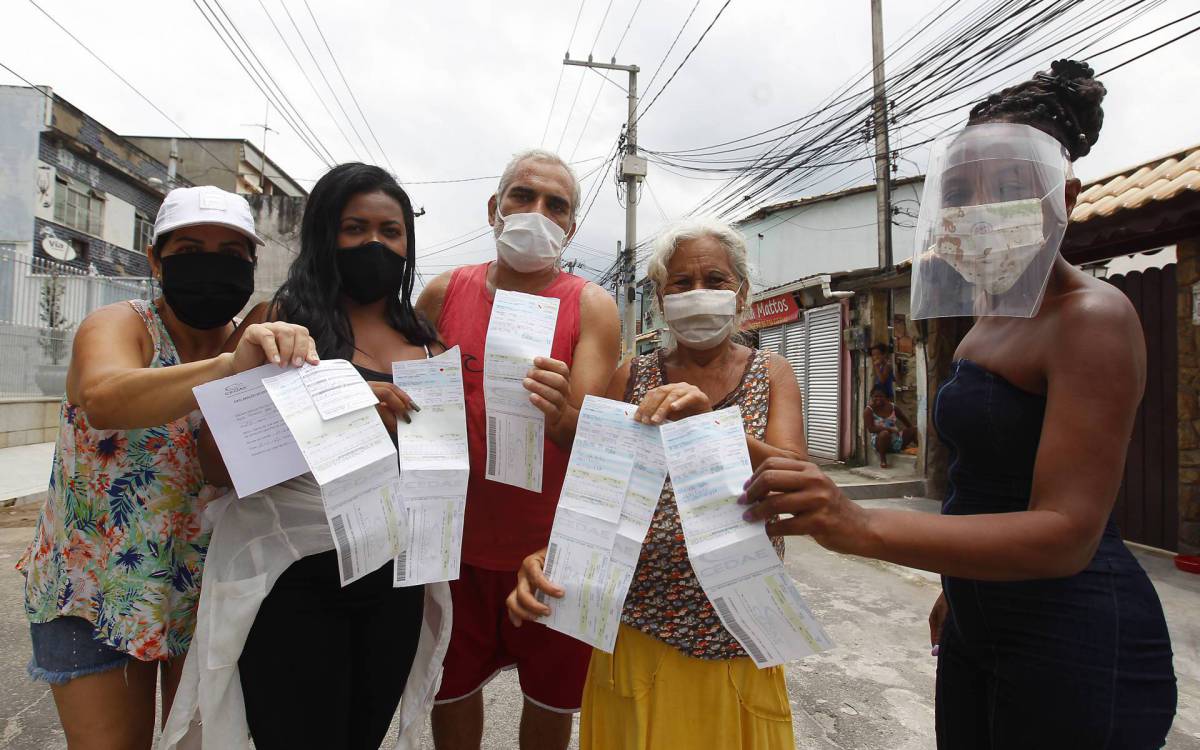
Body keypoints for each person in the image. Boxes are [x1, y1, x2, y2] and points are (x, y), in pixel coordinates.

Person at [740, 60, 1176, 749]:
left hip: (1075, 645)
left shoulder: (1094, 317)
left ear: (1063, 194)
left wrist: (859, 522)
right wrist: (958, 586)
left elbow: (1066, 530)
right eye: (960, 193)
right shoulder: (987, 319)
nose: (977, 212)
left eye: (1007, 188)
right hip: (977, 624)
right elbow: (982, 484)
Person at [16, 185, 316, 750]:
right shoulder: (122, 324)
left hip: (205, 591)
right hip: (95, 591)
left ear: (252, 265)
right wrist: (231, 367)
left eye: (232, 254)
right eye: (190, 250)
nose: (211, 265)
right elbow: (104, 396)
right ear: (155, 259)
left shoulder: (254, 345)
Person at [165, 163, 449, 750]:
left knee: (362, 736)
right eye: (355, 228)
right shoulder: (280, 324)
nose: (376, 244)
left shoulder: (428, 341)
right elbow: (218, 464)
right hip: (293, 580)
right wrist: (340, 406)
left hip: (393, 584)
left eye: (391, 232)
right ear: (325, 234)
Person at [507, 219, 810, 749]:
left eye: (715, 281)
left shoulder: (773, 372)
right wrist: (554, 556)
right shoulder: (633, 376)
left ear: (741, 296)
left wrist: (711, 424)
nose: (699, 295)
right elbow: (600, 495)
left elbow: (794, 493)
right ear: (660, 300)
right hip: (638, 625)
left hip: (737, 627)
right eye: (681, 284)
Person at [416, 148, 620, 750]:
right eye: (522, 197)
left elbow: (591, 439)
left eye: (556, 205)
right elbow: (414, 401)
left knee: (550, 708)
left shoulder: (591, 305)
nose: (537, 212)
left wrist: (562, 412)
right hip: (453, 550)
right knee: (449, 694)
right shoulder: (443, 292)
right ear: (494, 209)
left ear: (571, 228)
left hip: (549, 553)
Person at [864, 385, 916, 468]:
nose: (878, 399)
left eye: (881, 396)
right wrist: (888, 429)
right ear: (871, 397)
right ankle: (883, 459)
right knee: (884, 433)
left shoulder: (893, 407)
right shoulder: (868, 410)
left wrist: (911, 433)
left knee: (915, 430)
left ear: (885, 397)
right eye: (876, 396)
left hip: (896, 441)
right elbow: (871, 429)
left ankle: (920, 452)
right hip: (880, 442)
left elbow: (906, 422)